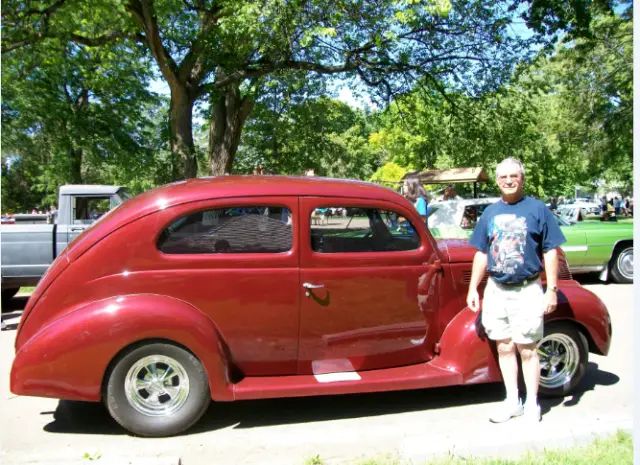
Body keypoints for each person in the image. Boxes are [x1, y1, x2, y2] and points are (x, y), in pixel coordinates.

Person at [466, 157, 566, 424]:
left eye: (514, 176)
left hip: (527, 289)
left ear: (522, 178)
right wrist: (473, 288)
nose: (509, 180)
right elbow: (481, 253)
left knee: (528, 348)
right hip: (496, 289)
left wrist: (552, 289)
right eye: (503, 177)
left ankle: (532, 403)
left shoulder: (537, 209)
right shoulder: (489, 213)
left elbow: (551, 251)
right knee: (505, 347)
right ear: (497, 181)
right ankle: (513, 401)